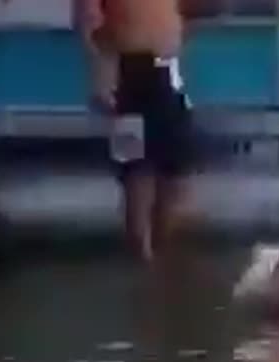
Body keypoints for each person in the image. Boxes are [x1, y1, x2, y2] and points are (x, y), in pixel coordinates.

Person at [75, 0, 195, 263]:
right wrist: (102, 74)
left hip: (168, 71)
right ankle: (142, 258)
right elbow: (87, 20)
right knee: (136, 173)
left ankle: (161, 258)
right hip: (129, 72)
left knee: (176, 172)